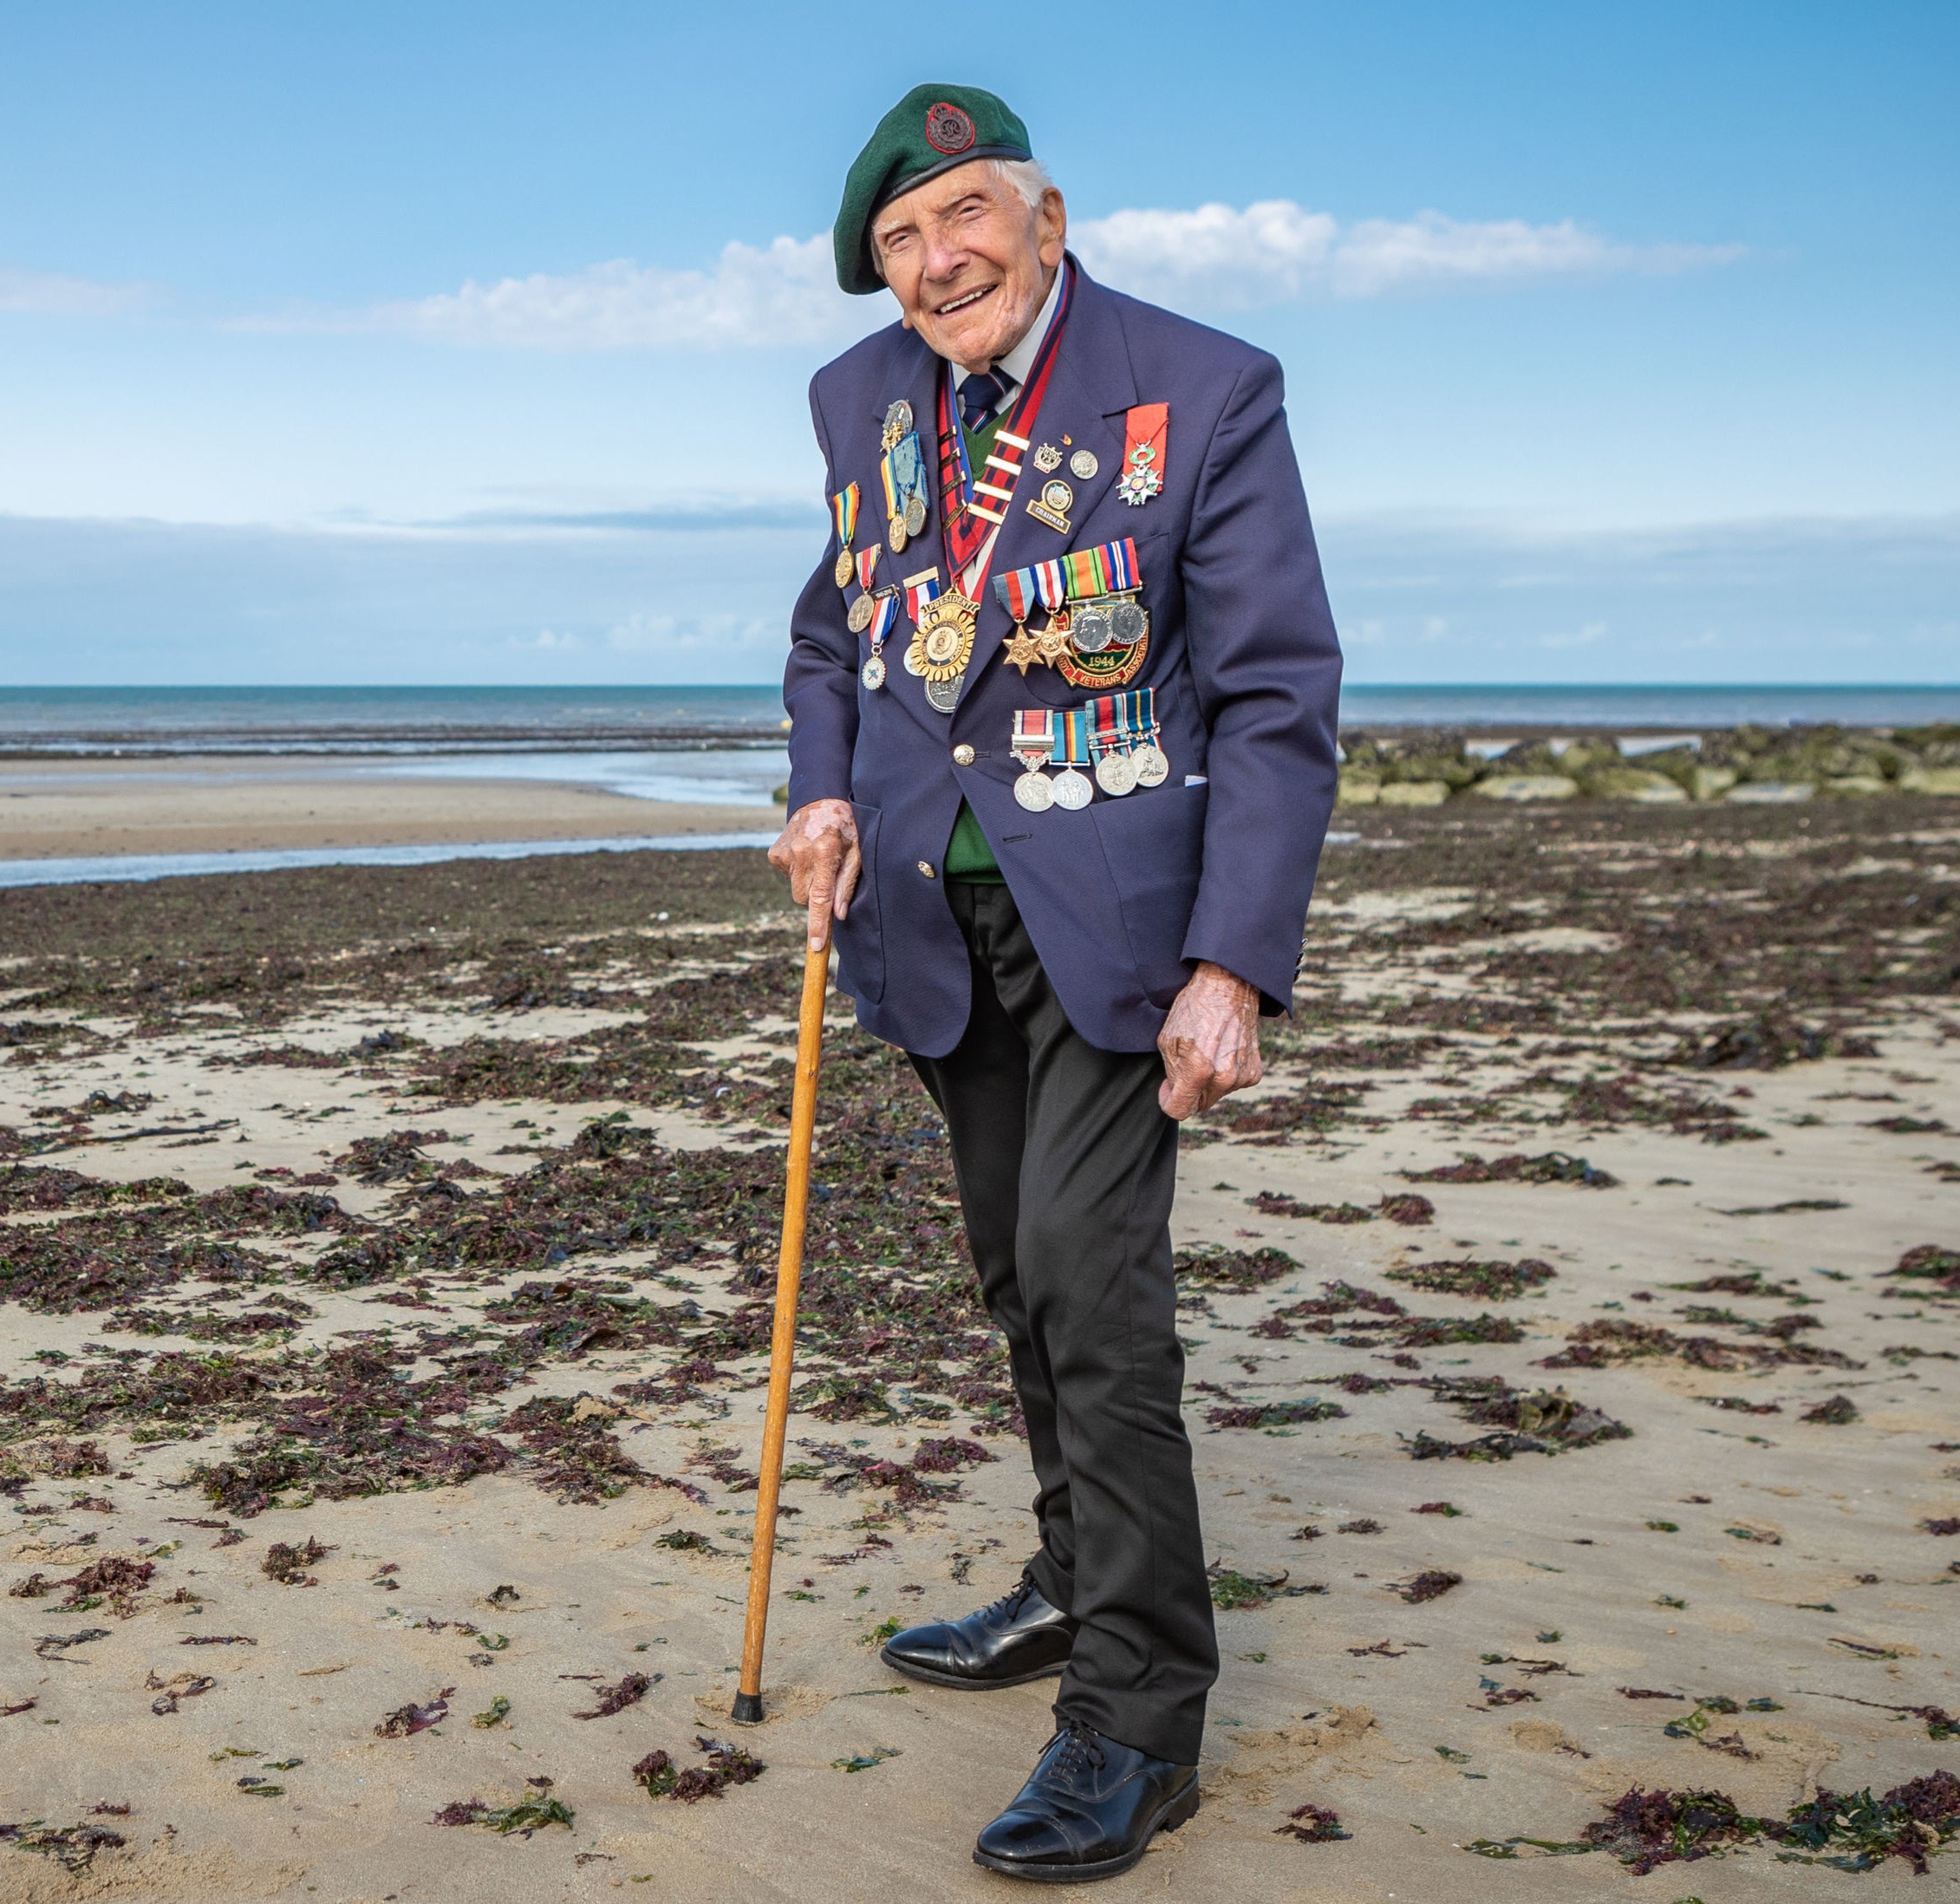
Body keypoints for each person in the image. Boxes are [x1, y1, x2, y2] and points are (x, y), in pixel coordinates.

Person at [768, 83, 1341, 1884]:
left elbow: (1274, 700)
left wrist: (1235, 962)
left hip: (1120, 925)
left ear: (1047, 215)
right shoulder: (859, 402)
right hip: (929, 921)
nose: (937, 264)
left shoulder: (1202, 389)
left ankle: (1134, 1719)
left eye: (962, 219)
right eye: (899, 243)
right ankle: (1068, 1575)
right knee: (1020, 1273)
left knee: (1096, 1298)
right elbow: (830, 631)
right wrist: (820, 784)